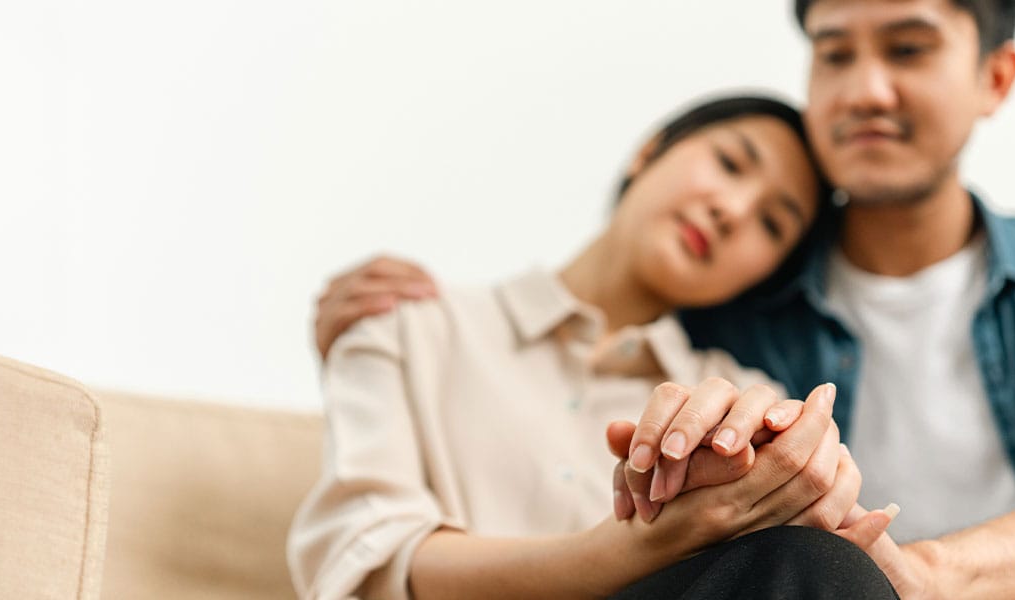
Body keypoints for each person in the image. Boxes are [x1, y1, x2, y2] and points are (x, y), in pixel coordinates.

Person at [313, 1, 1015, 598]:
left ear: (995, 77)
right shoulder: (733, 326)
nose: (865, 88)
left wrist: (917, 573)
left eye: (909, 47)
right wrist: (364, 331)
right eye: (834, 53)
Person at [289, 95, 902, 599]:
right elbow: (360, 568)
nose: (732, 210)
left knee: (822, 564)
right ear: (650, 149)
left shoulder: (735, 408)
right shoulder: (405, 325)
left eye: (772, 223)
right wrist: (639, 548)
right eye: (730, 163)